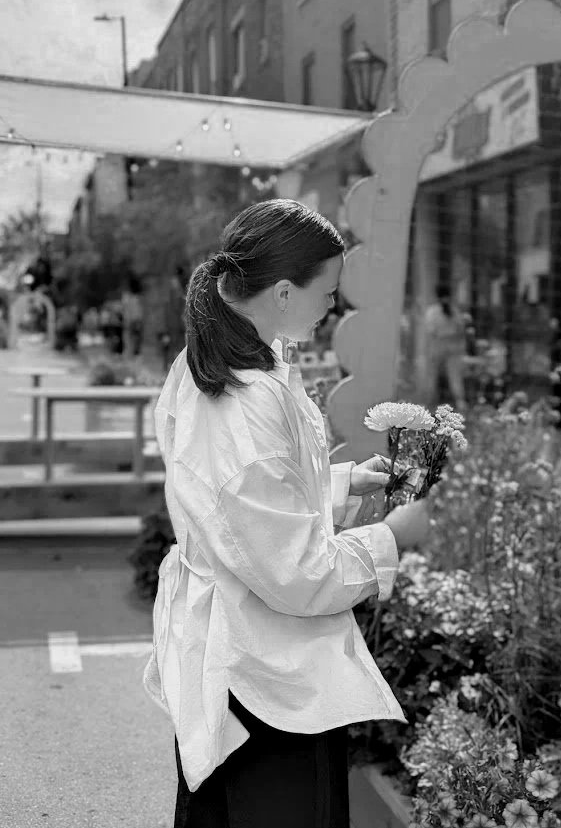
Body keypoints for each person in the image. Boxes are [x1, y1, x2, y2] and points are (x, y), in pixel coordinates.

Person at [143, 199, 433, 828]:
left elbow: (242, 512)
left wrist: (339, 482)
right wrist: (390, 538)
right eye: (327, 292)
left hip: (240, 647)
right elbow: (292, 569)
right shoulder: (243, 398)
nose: (332, 307)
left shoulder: (227, 366)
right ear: (281, 292)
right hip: (261, 671)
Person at [423, 283, 467, 411]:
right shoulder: (454, 310)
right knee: (455, 377)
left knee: (432, 375)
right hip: (453, 348)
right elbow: (461, 330)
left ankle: (428, 403)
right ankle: (460, 402)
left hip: (437, 347)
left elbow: (431, 331)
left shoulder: (432, 312)